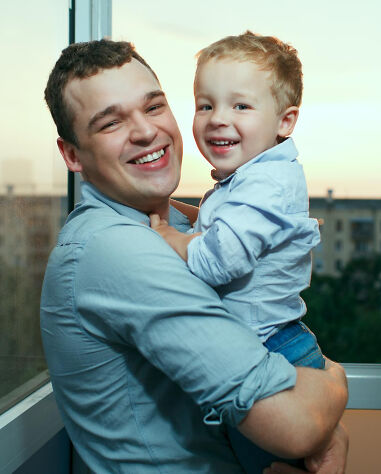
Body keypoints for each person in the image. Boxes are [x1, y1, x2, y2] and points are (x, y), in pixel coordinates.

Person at [40, 38, 348, 473]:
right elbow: (296, 426)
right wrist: (335, 384)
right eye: (110, 123)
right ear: (72, 154)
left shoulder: (171, 226)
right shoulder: (118, 250)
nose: (146, 132)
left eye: (153, 107)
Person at [149, 32, 324, 472]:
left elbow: (215, 260)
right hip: (267, 345)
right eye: (205, 105)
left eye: (240, 106)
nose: (216, 119)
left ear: (285, 122)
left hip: (272, 352)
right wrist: (178, 210)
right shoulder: (254, 177)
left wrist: (170, 237)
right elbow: (219, 221)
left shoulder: (264, 186)